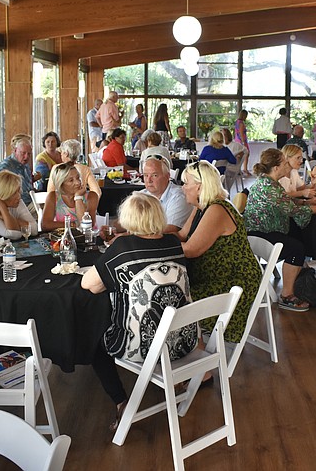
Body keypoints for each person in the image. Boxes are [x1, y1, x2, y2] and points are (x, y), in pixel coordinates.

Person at [81, 193, 197, 428]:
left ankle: (121, 402)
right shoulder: (173, 242)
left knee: (92, 340)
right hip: (184, 341)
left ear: (128, 219)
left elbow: (89, 285)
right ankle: (175, 383)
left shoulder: (123, 247)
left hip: (144, 348)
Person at [178, 161, 262, 342]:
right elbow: (182, 235)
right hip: (215, 277)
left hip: (233, 284)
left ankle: (194, 350)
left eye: (185, 183)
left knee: (175, 299)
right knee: (172, 291)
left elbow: (191, 250)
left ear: (199, 187)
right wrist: (149, 235)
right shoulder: (202, 206)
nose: (182, 188)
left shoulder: (217, 209)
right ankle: (191, 346)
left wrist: (157, 245)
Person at [244, 149, 316, 312]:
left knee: (298, 234)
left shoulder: (268, 182)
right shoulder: (269, 186)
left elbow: (286, 201)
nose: (288, 165)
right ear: (276, 167)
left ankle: (299, 277)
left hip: (259, 231)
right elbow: (293, 210)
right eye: (285, 162)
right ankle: (287, 295)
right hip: (259, 236)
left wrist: (309, 202)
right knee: (296, 248)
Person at [42, 163, 99, 230]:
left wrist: (78, 197)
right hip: (63, 236)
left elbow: (87, 226)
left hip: (87, 236)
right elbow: (45, 225)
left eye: (78, 178)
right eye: (71, 180)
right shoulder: (53, 197)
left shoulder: (91, 196)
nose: (78, 182)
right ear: (61, 184)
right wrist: (72, 225)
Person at [141, 157, 192, 232]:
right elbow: (125, 221)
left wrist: (131, 234)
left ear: (167, 176)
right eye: (146, 175)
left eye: (154, 175)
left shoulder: (178, 197)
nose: (149, 180)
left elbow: (169, 229)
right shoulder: (141, 195)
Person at [0, 134, 39, 208]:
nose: (26, 157)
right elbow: (0, 194)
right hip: (17, 207)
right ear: (15, 150)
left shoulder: (25, 165)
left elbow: (28, 187)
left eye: (29, 154)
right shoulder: (5, 167)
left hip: (31, 201)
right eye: (23, 153)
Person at [234, 110, 251, 175]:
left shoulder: (237, 122)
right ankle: (245, 169)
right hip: (242, 141)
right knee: (246, 154)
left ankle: (239, 169)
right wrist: (243, 142)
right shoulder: (241, 123)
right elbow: (241, 133)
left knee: (240, 155)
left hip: (237, 140)